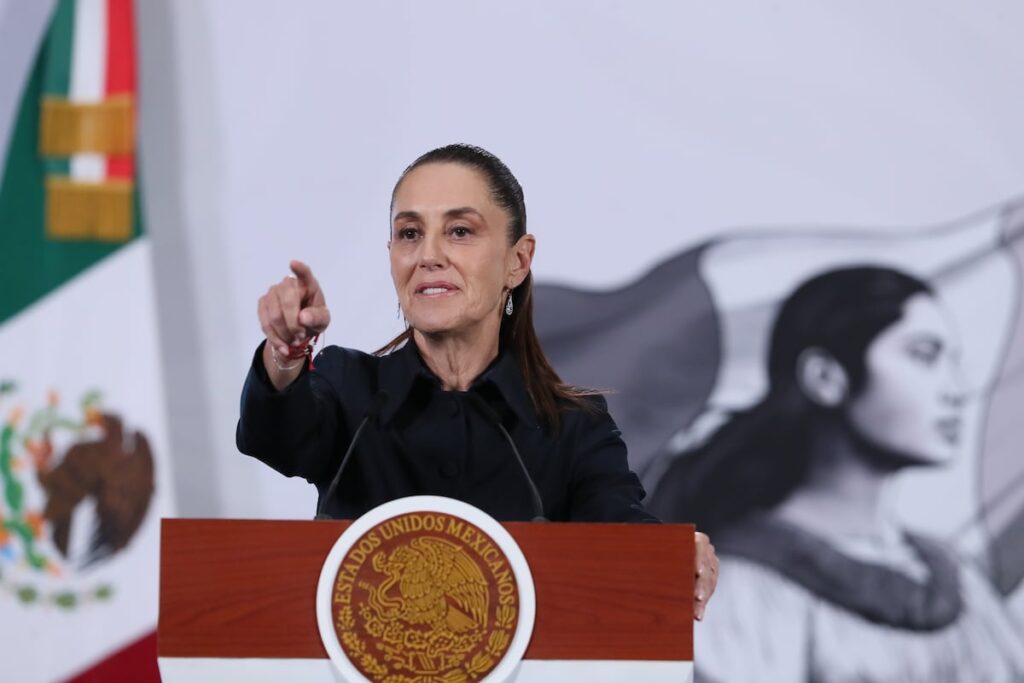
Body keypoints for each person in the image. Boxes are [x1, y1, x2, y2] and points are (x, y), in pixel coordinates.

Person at [236, 143, 718, 618]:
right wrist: (286, 352)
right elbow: (275, 435)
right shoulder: (349, 388)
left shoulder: (573, 427)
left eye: (460, 231)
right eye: (409, 233)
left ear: (518, 261)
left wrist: (672, 552)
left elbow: (622, 530)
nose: (428, 255)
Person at [647, 266, 1024, 681]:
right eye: (924, 355)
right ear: (825, 377)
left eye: (954, 362)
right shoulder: (735, 586)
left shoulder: (959, 581)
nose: (957, 390)